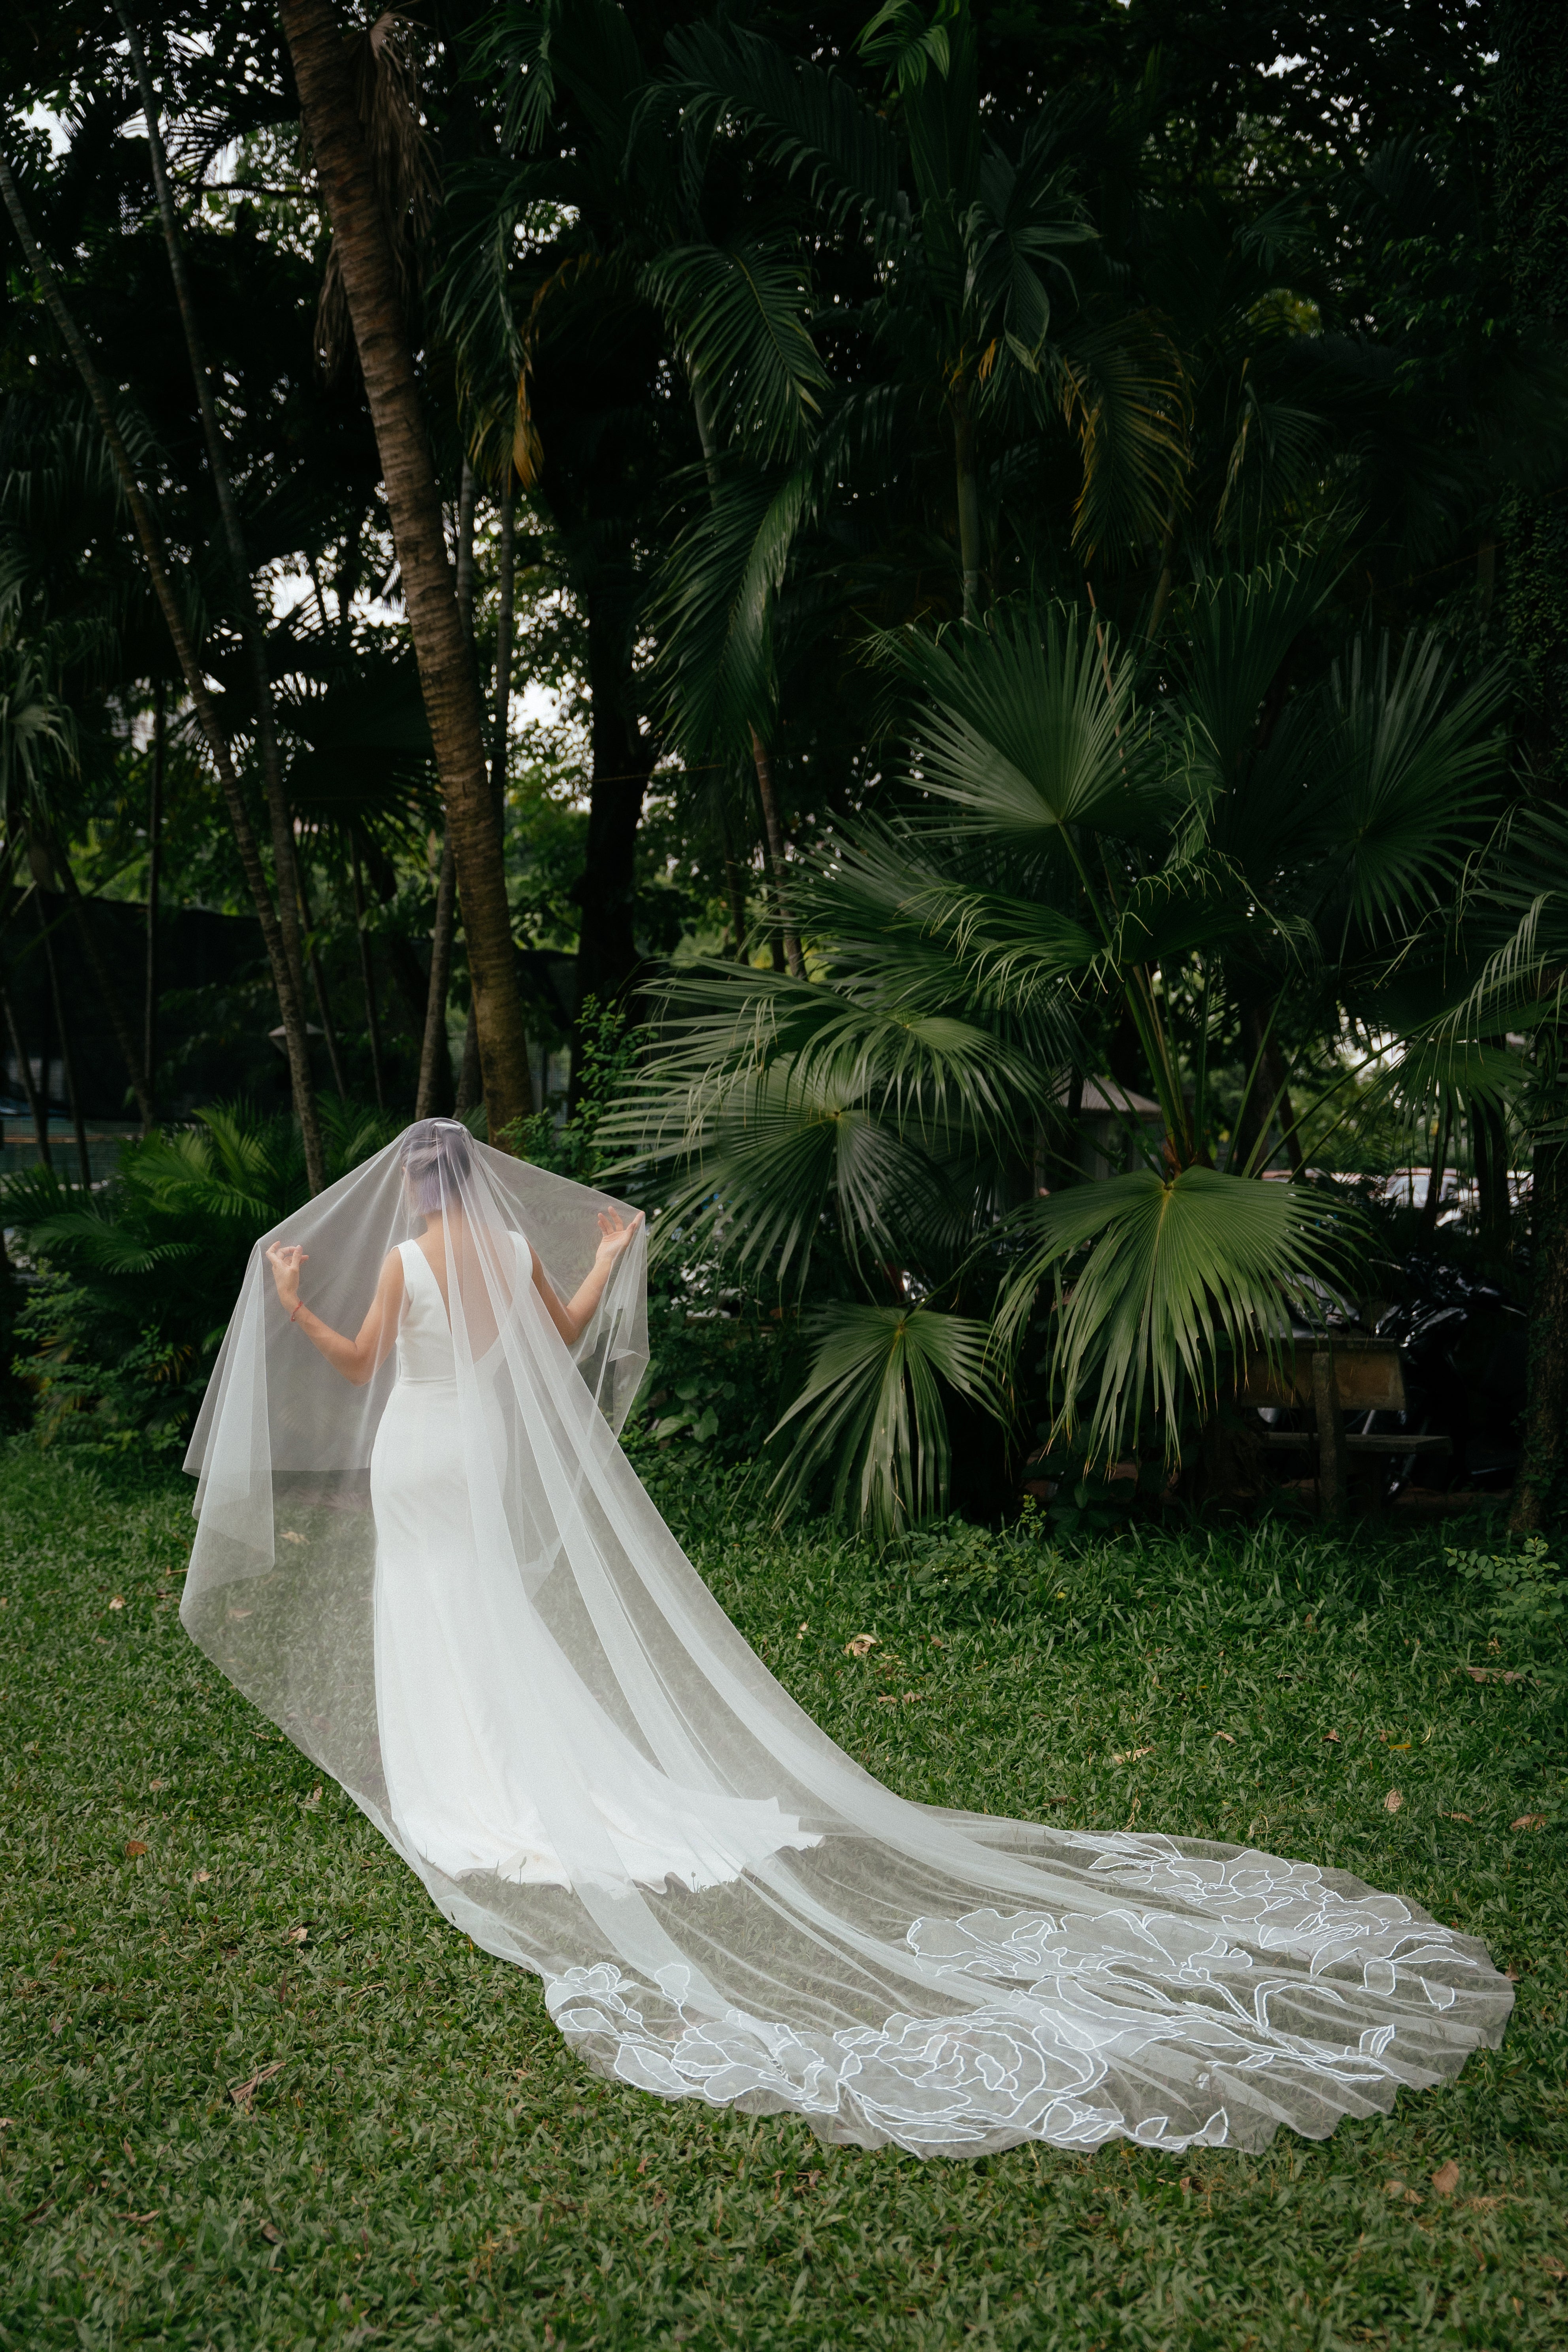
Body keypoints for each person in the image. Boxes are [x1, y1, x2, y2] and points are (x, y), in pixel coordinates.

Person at [183, 1119, 1513, 2160]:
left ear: (411, 1197)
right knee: (486, 1612)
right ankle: (508, 1765)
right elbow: (573, 1336)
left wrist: (292, 1292)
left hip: (419, 1455)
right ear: (472, 1184)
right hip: (475, 1448)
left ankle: (457, 1782)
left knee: (432, 1613)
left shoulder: (412, 1265)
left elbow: (358, 1365)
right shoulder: (507, 1258)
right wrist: (599, 1256)